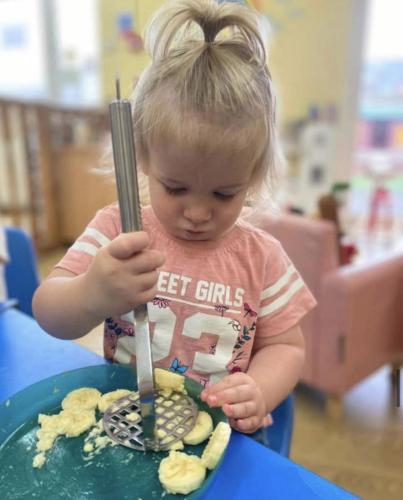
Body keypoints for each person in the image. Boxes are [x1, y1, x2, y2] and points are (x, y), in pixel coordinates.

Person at [33, 0, 316, 435]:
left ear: (254, 178)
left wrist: (259, 388)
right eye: (176, 188)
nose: (198, 214)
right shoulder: (116, 230)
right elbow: (49, 314)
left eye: (225, 193)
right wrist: (93, 292)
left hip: (219, 435)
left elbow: (287, 347)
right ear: (144, 158)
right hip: (124, 425)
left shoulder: (263, 257)